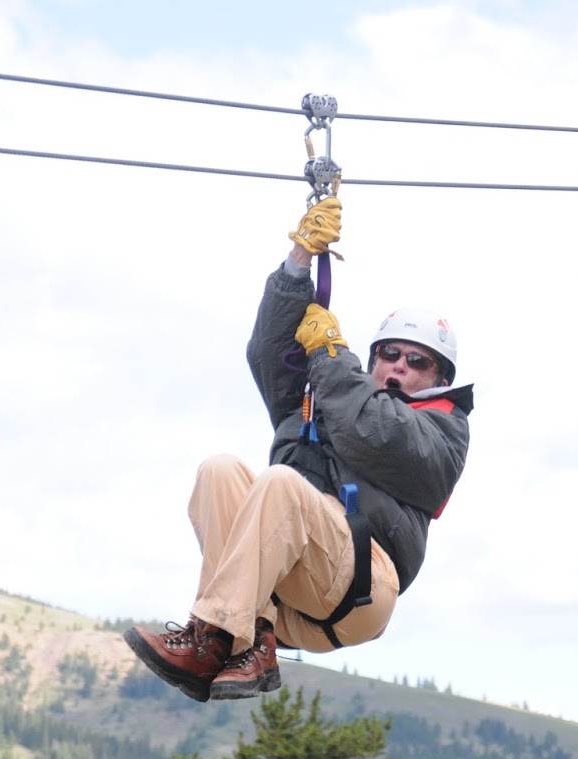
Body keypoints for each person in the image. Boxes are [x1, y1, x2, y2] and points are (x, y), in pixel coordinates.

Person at [124, 196, 474, 701]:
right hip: (292, 591)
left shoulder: (443, 431)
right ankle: (249, 639)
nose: (398, 366)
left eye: (416, 361)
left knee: (282, 482)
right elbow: (270, 354)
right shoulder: (332, 393)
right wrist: (298, 264)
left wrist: (331, 355)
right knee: (219, 471)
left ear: (438, 380)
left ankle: (211, 635)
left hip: (361, 589)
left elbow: (374, 432)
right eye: (389, 354)